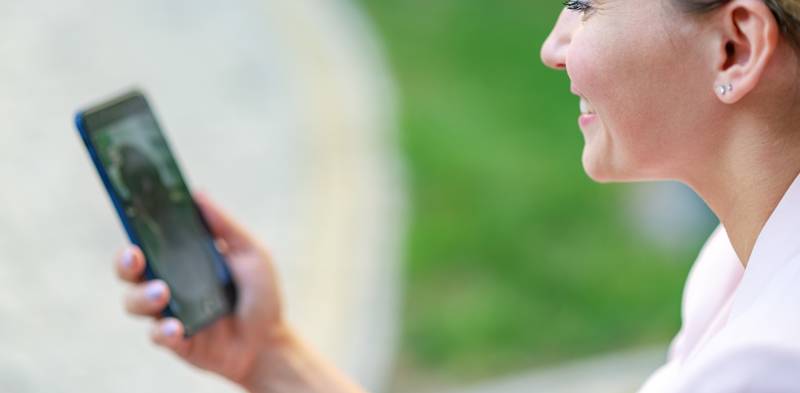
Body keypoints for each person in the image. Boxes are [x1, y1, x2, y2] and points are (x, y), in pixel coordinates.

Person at [116, 0, 800, 391]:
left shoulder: (767, 363)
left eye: (587, 5)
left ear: (735, 48)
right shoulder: (740, 258)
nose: (553, 46)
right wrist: (266, 351)